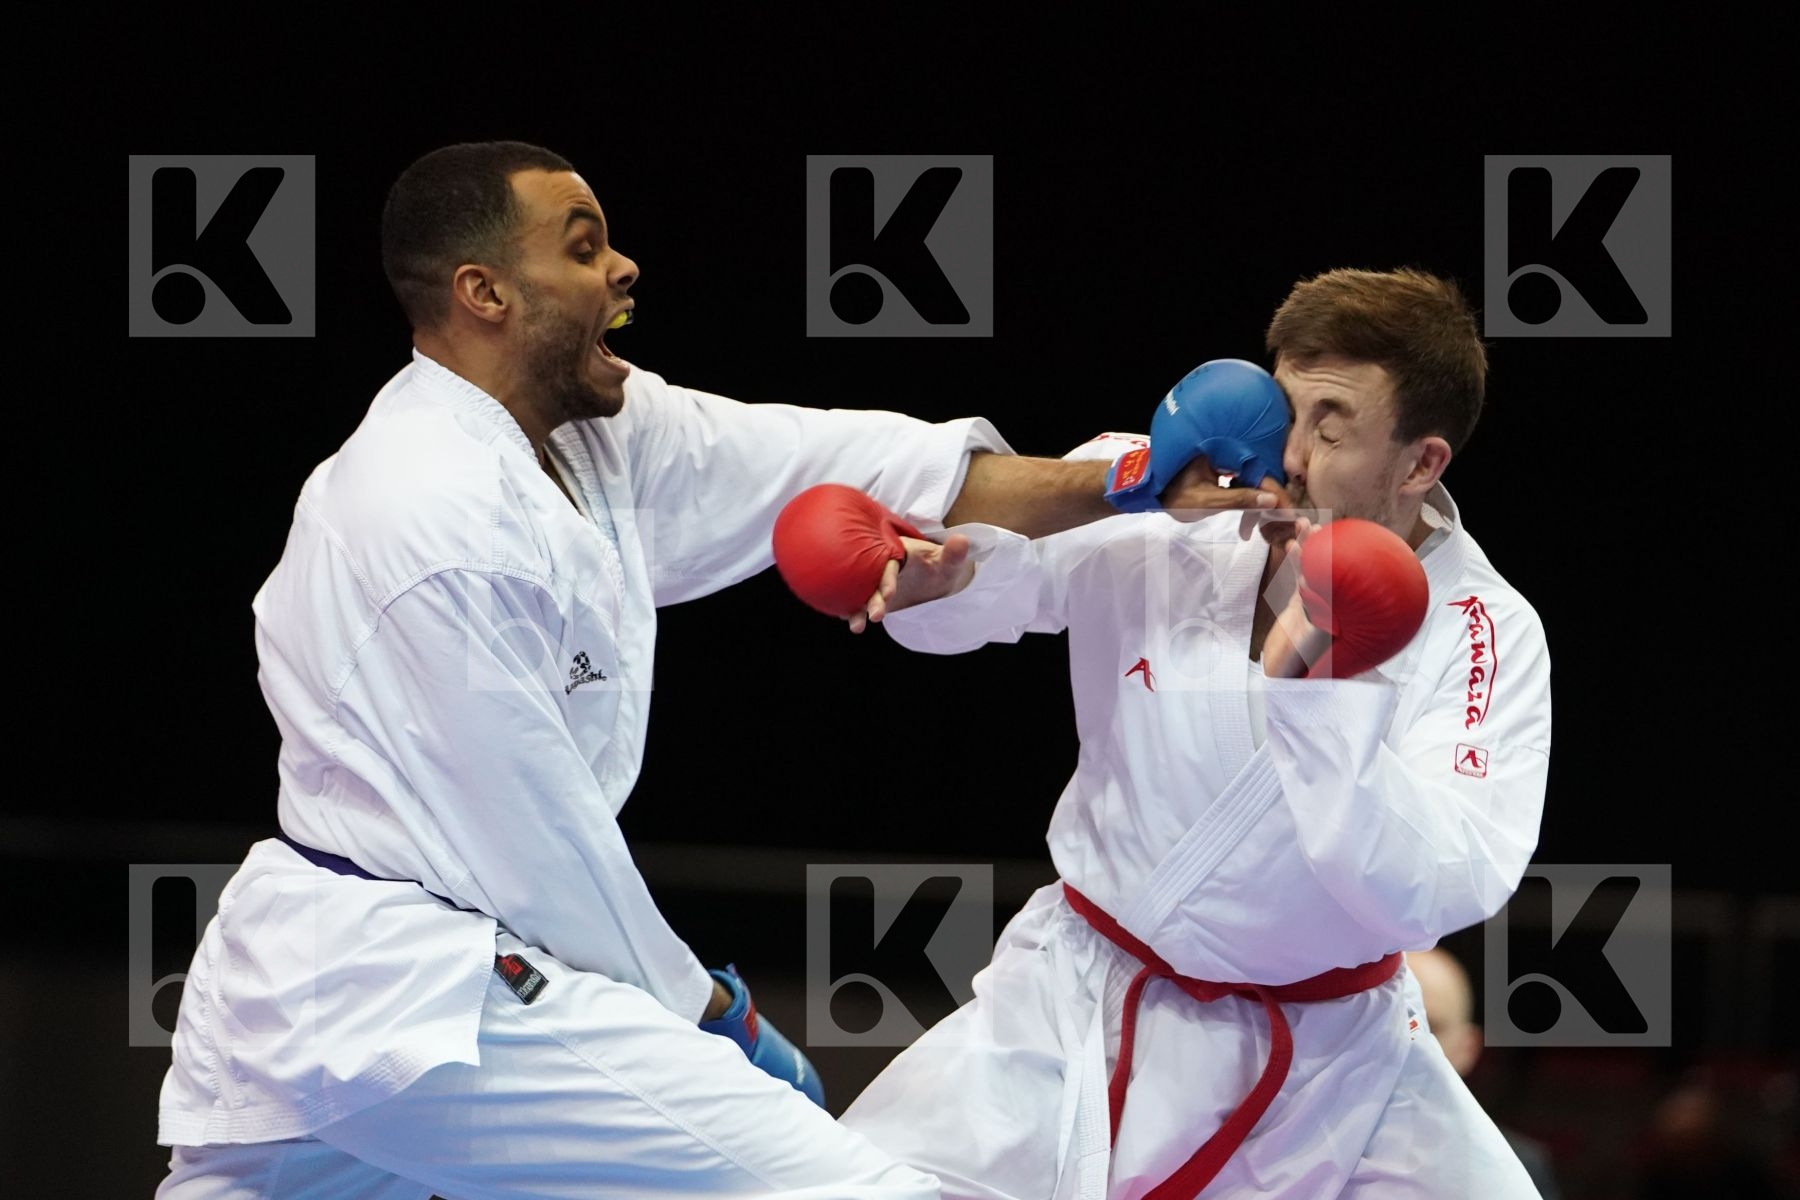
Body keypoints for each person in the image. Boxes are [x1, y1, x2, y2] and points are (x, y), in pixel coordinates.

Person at [151, 141, 1273, 1199]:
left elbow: (857, 466)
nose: (622, 264)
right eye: (582, 246)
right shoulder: (424, 517)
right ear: (483, 292)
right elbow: (541, 854)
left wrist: (1126, 482)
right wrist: (707, 1015)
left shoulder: (602, 437)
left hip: (378, 991)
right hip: (411, 987)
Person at [820, 267, 1555, 1197]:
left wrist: (1323, 692)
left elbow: (1438, 886)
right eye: (1280, 405)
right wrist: (942, 587)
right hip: (1072, 1004)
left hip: (1334, 1069)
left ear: (1421, 463)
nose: (1285, 453)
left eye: (1331, 424)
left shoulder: (1483, 629)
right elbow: (982, 596)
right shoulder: (1170, 494)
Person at [1406, 946, 1562, 1199]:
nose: (1410, 1040)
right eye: (1394, 1022)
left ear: (1467, 1048)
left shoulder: (1517, 1168)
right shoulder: (1320, 1148)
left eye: (1432, 1027)